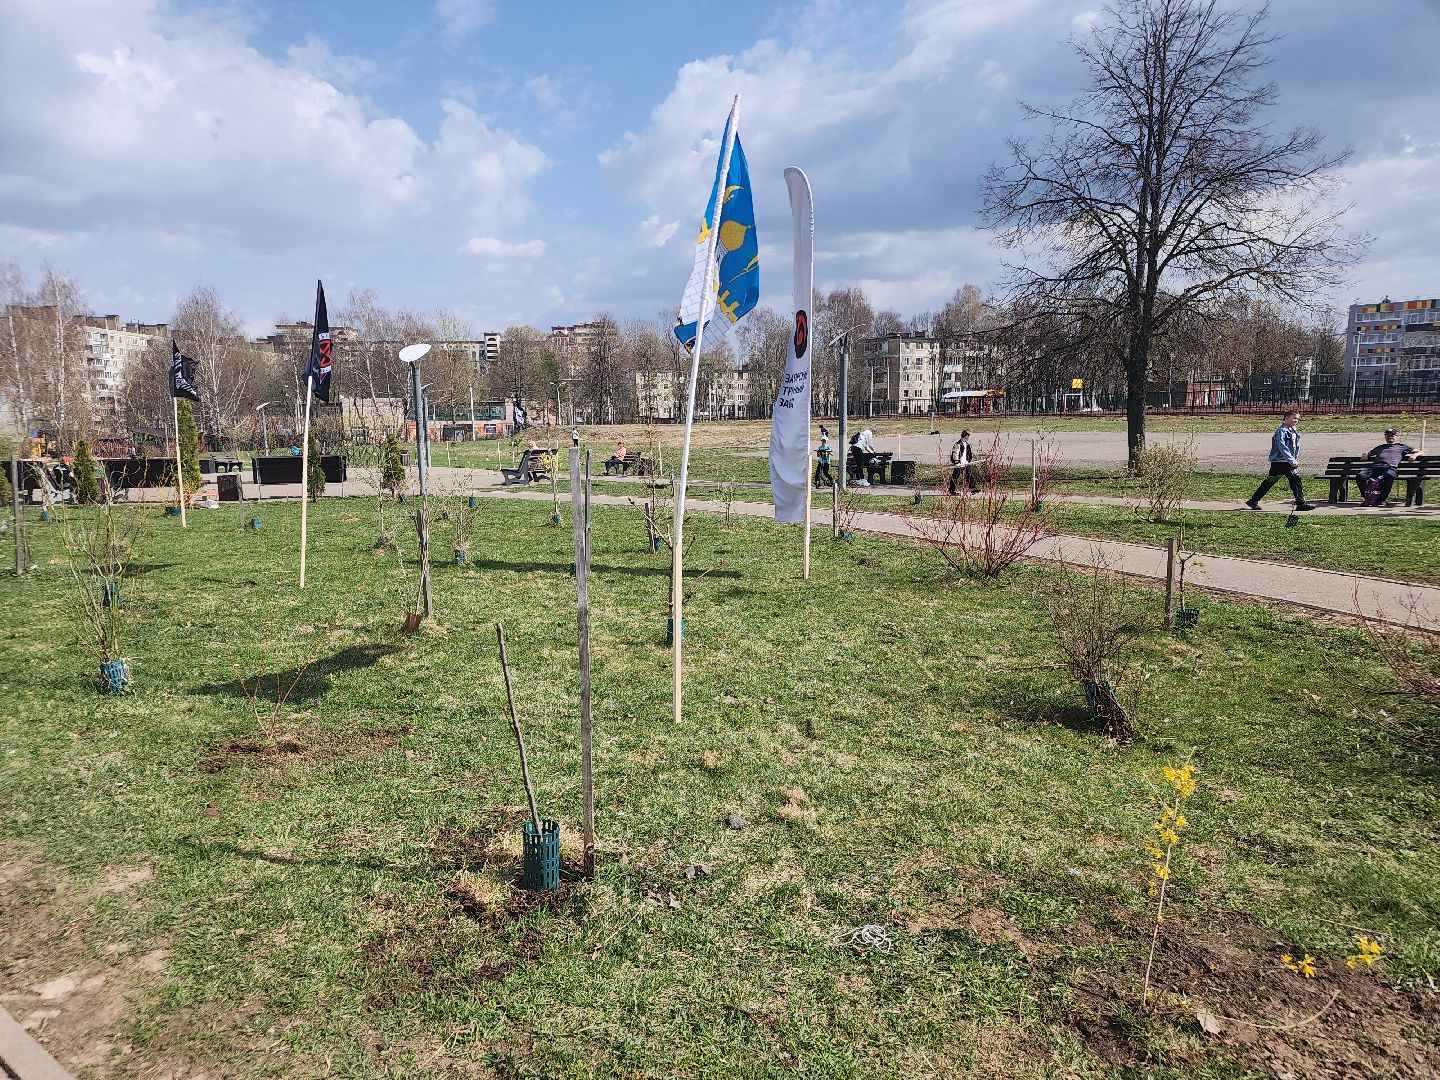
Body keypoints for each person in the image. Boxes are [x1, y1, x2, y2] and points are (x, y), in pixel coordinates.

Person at [1245, 411, 1316, 511]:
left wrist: (1294, 458)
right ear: (1286, 419)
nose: (1296, 420)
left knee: (1292, 481)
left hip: (1287, 461)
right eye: (1294, 418)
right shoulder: (1281, 431)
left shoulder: (1293, 430)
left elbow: (1295, 447)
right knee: (1286, 481)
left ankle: (1300, 503)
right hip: (1280, 462)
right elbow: (1282, 447)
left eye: (1297, 419)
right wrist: (1292, 460)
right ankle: (1300, 503)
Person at [1356, 428, 1421, 506]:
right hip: (1375, 467)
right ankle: (1368, 497)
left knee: (1389, 475)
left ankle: (1381, 500)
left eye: (1392, 435)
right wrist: (1366, 455)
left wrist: (1414, 455)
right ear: (1385, 437)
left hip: (1390, 468)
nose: (1390, 437)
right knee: (1361, 476)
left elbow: (1420, 451)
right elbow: (1369, 453)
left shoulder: (1402, 447)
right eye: (1388, 435)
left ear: (1396, 436)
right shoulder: (1380, 447)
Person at [948, 430, 978, 495]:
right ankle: (951, 491)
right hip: (959, 464)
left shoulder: (966, 444)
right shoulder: (958, 444)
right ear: (966, 436)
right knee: (955, 477)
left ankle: (973, 489)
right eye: (969, 436)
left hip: (965, 463)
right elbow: (955, 454)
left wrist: (968, 461)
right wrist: (956, 462)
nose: (969, 438)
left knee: (969, 475)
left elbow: (967, 454)